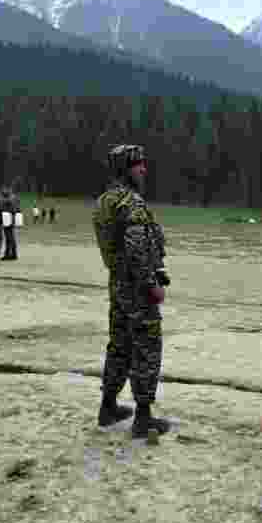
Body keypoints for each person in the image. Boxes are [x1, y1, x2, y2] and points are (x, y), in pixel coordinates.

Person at [93, 144, 173, 440]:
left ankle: (108, 407)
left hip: (117, 285)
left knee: (119, 346)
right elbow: (138, 249)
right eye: (139, 164)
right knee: (147, 348)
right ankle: (143, 418)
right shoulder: (131, 203)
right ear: (126, 168)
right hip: (138, 289)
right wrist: (152, 285)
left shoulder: (104, 201)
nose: (144, 169)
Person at [2, 185, 21, 260]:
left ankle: (10, 254)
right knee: (10, 238)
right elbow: (18, 208)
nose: (3, 192)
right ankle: (11, 253)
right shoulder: (14, 198)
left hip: (9, 219)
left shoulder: (9, 199)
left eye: (4, 190)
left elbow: (7, 206)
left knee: (10, 238)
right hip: (10, 218)